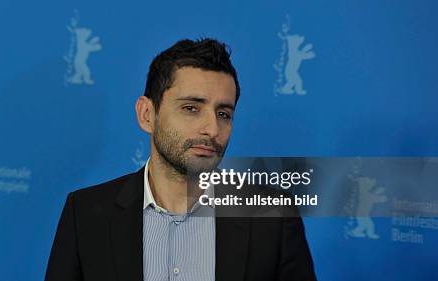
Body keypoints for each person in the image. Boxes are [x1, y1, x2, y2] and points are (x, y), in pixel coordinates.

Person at [45, 38, 317, 281]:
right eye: (191, 108)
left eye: (224, 113)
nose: (212, 129)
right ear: (147, 115)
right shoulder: (86, 213)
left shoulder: (272, 216)